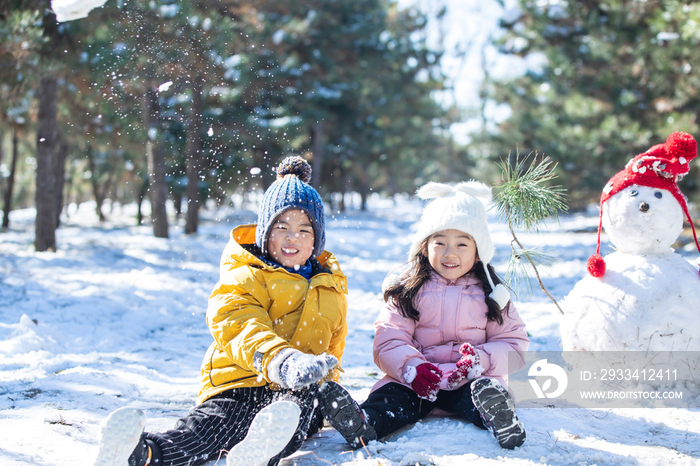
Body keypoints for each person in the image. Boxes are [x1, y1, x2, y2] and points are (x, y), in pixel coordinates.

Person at [92, 156, 376, 466]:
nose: (292, 237)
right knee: (208, 430)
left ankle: (259, 451)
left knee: (296, 410)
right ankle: (141, 453)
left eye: (304, 230)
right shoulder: (246, 275)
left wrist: (328, 388)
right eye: (281, 227)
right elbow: (238, 323)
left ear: (316, 240)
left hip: (292, 393)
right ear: (265, 232)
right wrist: (280, 360)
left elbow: (332, 347)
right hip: (238, 382)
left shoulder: (329, 288)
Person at [359, 181, 530, 450]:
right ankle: (365, 423)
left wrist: (481, 360)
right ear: (425, 247)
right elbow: (388, 339)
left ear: (477, 253)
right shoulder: (408, 290)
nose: (450, 253)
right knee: (390, 399)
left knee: (481, 394)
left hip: (468, 380)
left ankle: (499, 416)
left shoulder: (493, 295)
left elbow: (514, 346)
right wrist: (411, 368)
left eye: (462, 244)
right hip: (415, 382)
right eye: (440, 242)